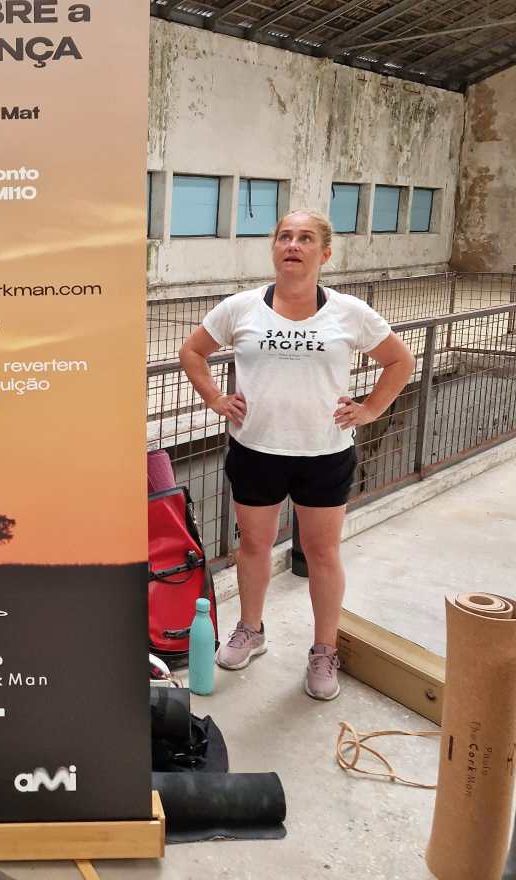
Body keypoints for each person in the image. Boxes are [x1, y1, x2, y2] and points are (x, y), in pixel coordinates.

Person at [178, 209, 415, 700]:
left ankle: (324, 650)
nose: (293, 244)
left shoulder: (349, 312)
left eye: (305, 238)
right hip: (256, 450)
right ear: (274, 249)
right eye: (285, 236)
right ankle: (251, 629)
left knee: (323, 553)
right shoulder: (241, 307)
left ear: (324, 254)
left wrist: (371, 409)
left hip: (324, 454)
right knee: (254, 547)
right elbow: (192, 352)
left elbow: (399, 360)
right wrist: (215, 398)